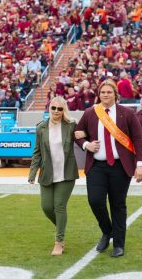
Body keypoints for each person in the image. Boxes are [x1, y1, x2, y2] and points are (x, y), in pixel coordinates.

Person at [74, 80, 142, 258]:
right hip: (97, 166)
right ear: (99, 94)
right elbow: (77, 133)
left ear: (115, 94)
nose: (106, 95)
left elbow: (138, 139)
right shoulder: (90, 112)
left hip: (120, 167)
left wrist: (141, 164)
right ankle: (107, 231)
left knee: (118, 205)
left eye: (109, 92)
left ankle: (119, 245)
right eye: (103, 92)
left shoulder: (127, 113)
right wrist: (86, 145)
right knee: (95, 200)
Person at [28, 96, 80, 256]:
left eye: (59, 109)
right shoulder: (41, 127)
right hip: (47, 173)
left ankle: (59, 242)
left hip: (66, 173)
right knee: (46, 207)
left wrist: (87, 142)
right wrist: (32, 172)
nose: (56, 111)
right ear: (49, 109)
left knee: (59, 206)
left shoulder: (71, 125)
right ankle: (60, 227)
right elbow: (37, 152)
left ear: (64, 110)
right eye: (53, 108)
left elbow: (82, 138)